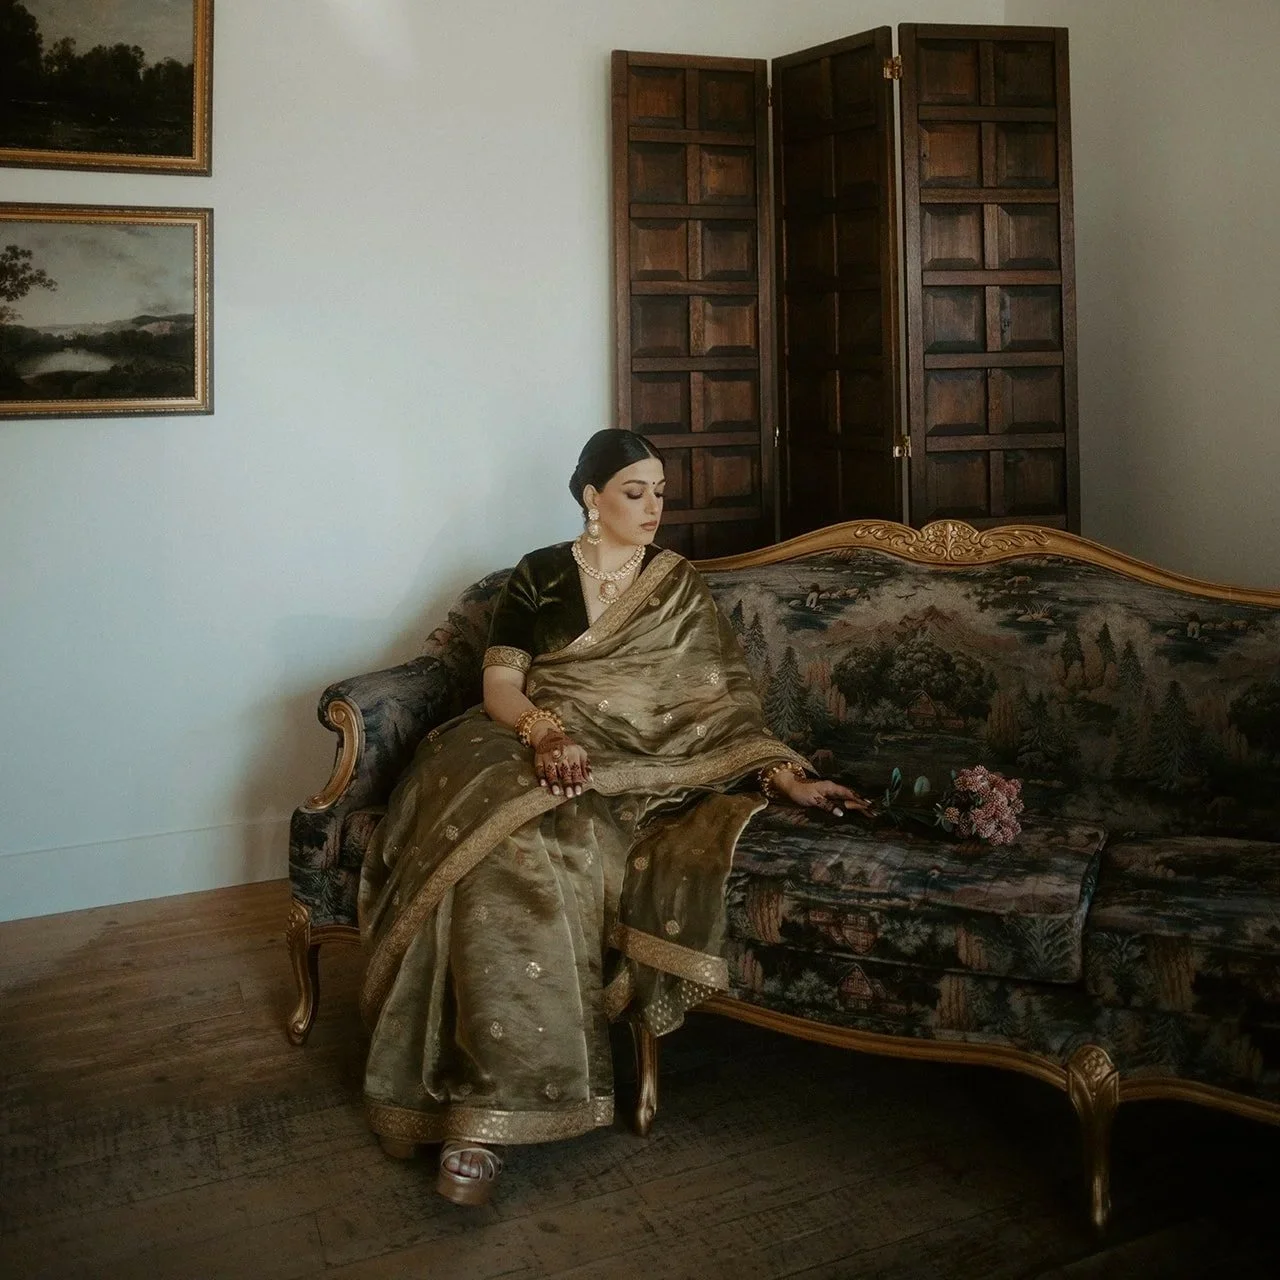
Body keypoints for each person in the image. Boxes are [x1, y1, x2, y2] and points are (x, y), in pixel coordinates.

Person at [357, 429, 867, 1206]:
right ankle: (474, 1112)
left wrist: (781, 774)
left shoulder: (677, 585)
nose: (655, 506)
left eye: (661, 491)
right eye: (636, 491)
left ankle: (486, 1117)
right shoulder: (539, 576)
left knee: (569, 843)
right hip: (536, 740)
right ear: (592, 497)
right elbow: (501, 692)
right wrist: (547, 734)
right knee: (501, 840)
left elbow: (719, 702)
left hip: (648, 768)